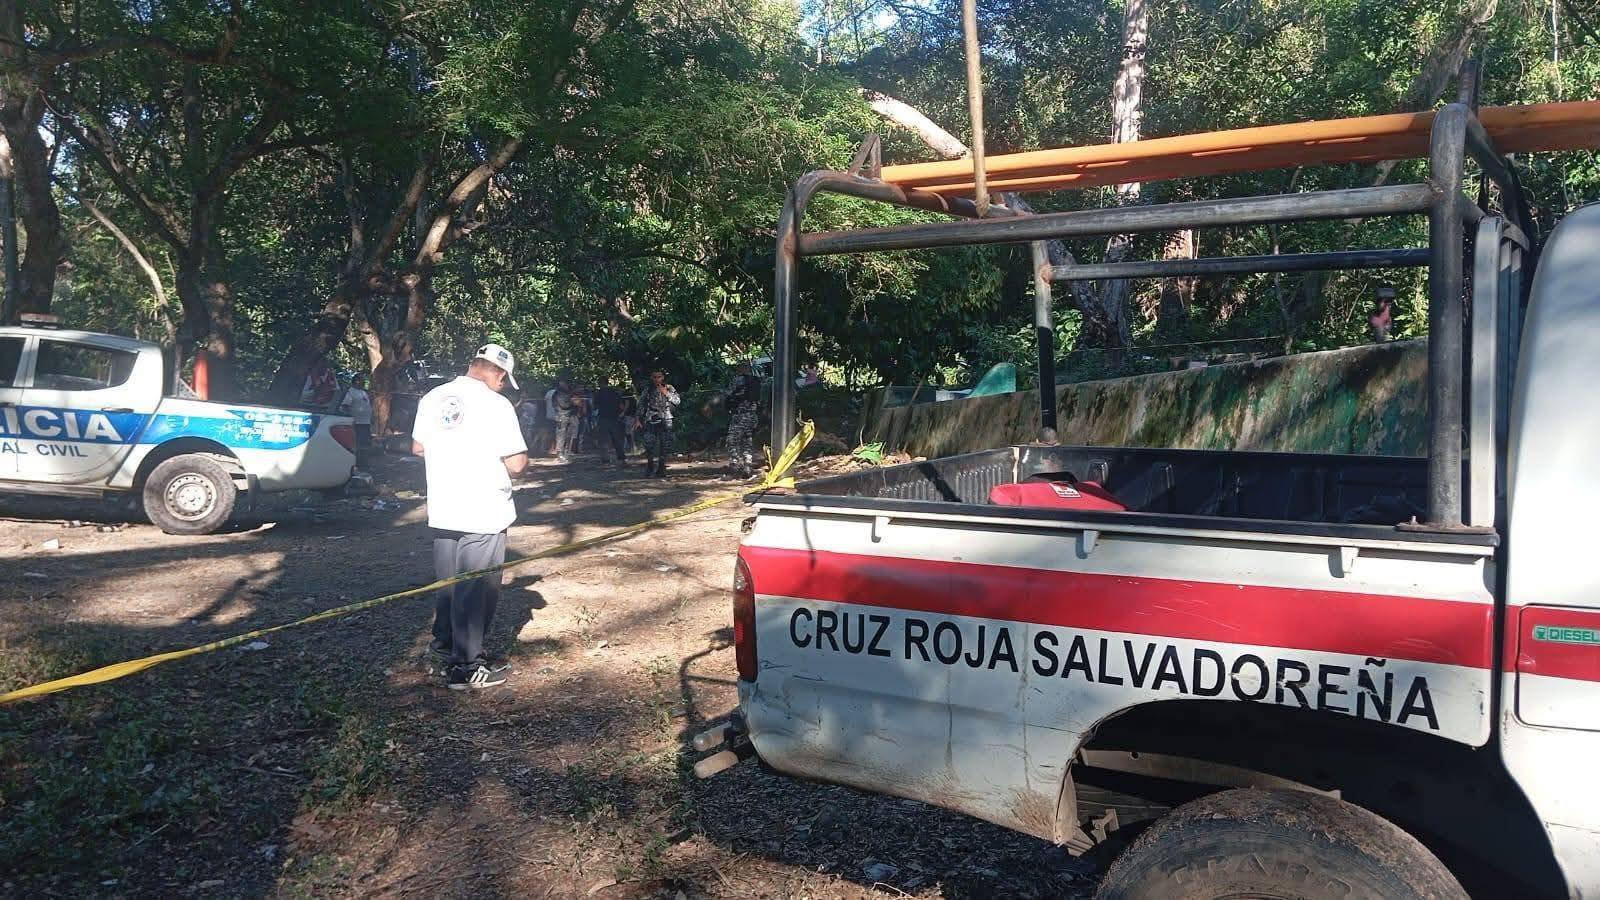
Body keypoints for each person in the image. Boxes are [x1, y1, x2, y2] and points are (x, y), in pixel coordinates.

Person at [411, 343, 529, 691]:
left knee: (449, 588)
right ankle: (465, 668)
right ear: (500, 374)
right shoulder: (497, 404)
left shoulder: (433, 397)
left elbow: (418, 447)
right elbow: (517, 463)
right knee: (476, 590)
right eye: (504, 381)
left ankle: (441, 652)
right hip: (484, 510)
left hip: (445, 506)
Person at [634, 368, 680, 477]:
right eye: (654, 377)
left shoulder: (669, 388)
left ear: (662, 377)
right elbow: (641, 404)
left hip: (666, 417)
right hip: (651, 418)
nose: (656, 379)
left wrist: (666, 393)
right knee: (649, 443)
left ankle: (661, 468)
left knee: (665, 445)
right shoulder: (648, 389)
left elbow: (677, 401)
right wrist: (638, 419)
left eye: (659, 377)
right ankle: (650, 466)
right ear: (651, 378)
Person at [724, 361, 761, 478]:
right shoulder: (756, 381)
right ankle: (747, 465)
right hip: (753, 416)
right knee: (747, 441)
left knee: (731, 440)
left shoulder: (738, 380)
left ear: (742, 368)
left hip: (740, 416)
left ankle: (735, 465)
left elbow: (727, 394)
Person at [339, 374, 374, 467]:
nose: (364, 382)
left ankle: (364, 463)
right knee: (357, 444)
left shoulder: (363, 392)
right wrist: (350, 419)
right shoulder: (350, 392)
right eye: (362, 380)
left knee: (365, 445)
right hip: (357, 423)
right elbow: (345, 406)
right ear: (356, 381)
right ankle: (356, 464)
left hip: (366, 423)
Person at [592, 380, 626, 464]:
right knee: (616, 439)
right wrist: (620, 414)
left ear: (601, 383)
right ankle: (621, 458)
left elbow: (595, 406)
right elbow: (621, 405)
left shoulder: (599, 393)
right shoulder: (615, 392)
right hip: (614, 418)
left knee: (603, 440)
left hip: (603, 418)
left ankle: (606, 459)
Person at [551, 372, 580, 462]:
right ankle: (560, 454)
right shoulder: (558, 393)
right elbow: (564, 405)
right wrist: (573, 402)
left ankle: (566, 452)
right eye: (564, 382)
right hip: (562, 417)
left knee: (569, 435)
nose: (566, 384)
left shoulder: (568, 393)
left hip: (570, 416)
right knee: (561, 436)